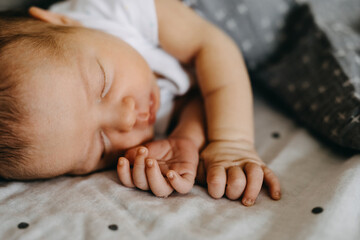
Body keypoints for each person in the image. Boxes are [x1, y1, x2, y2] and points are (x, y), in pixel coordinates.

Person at [0, 0, 281, 206]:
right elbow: (197, 93)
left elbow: (211, 47)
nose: (126, 120)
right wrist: (186, 138)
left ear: (63, 22)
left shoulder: (117, 10)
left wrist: (232, 141)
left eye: (103, 84)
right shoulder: (135, 133)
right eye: (101, 147)